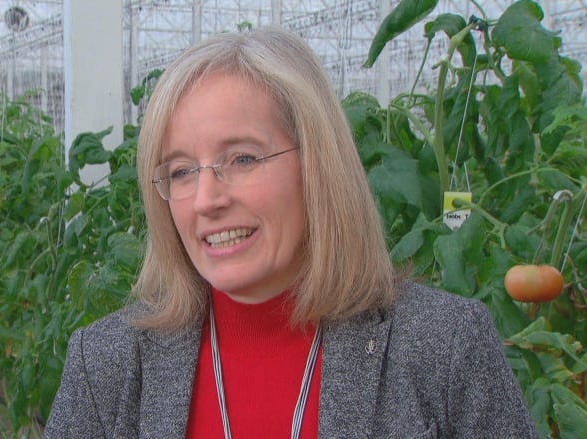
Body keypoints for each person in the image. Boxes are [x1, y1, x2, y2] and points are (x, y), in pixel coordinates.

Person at [45, 26, 536, 438]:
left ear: (317, 167)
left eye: (241, 158)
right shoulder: (106, 366)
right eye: (180, 171)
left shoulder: (444, 348)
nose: (207, 199)